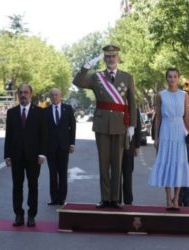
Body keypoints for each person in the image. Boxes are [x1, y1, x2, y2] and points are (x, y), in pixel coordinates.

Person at [73, 45, 137, 209]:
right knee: (103, 164)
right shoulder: (97, 77)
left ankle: (115, 198)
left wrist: (132, 126)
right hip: (102, 125)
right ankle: (105, 198)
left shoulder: (127, 77)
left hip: (120, 124)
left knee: (117, 163)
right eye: (107, 57)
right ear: (104, 59)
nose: (111, 59)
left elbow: (132, 102)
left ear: (118, 58)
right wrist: (87, 65)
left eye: (113, 56)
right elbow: (78, 82)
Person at [148, 67, 189, 211]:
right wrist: (156, 137)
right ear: (166, 78)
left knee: (179, 163)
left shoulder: (184, 95)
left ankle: (176, 199)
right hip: (166, 131)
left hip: (179, 130)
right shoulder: (160, 95)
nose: (172, 79)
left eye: (175, 76)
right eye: (169, 76)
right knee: (167, 162)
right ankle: (168, 199)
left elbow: (186, 116)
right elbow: (158, 117)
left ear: (178, 78)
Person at [4, 84, 47, 227]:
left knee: (33, 186)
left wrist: (42, 154)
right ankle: (18, 215)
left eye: (26, 92)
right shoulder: (11, 112)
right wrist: (7, 155)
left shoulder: (40, 113)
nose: (23, 95)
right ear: (18, 94)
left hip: (33, 157)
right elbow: (8, 136)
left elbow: (43, 135)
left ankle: (31, 216)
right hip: (16, 156)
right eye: (21, 92)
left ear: (31, 94)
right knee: (17, 186)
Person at [45, 88, 76, 206]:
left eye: (56, 95)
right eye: (52, 95)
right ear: (50, 97)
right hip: (50, 148)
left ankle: (62, 198)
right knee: (52, 174)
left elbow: (72, 127)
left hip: (64, 146)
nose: (54, 97)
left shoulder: (67, 109)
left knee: (62, 173)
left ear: (61, 96)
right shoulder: (46, 111)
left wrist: (72, 143)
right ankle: (54, 198)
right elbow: (44, 130)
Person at [120, 109, 141, 205]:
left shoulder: (134, 110)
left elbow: (138, 128)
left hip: (130, 146)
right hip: (117, 146)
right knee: (116, 176)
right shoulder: (116, 105)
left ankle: (128, 201)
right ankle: (116, 199)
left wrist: (137, 146)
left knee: (128, 176)